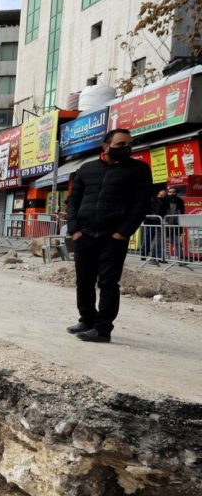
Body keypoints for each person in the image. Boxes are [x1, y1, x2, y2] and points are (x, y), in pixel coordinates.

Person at [65, 129, 152, 343]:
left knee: (108, 283)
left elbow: (141, 205)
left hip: (112, 237)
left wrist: (122, 233)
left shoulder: (139, 170)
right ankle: (86, 320)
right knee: (84, 281)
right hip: (84, 235)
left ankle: (102, 329)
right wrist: (74, 229)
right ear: (106, 146)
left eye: (129, 144)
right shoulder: (86, 169)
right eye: (121, 144)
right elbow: (73, 201)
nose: (126, 148)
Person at [162, 186, 186, 261]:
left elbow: (182, 212)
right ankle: (160, 258)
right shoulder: (164, 201)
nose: (172, 193)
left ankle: (181, 259)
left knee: (177, 242)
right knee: (160, 242)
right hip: (164, 225)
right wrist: (163, 221)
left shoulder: (180, 201)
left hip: (175, 225)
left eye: (173, 192)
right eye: (170, 192)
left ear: (176, 193)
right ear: (167, 192)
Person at [142, 189, 167, 260]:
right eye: (162, 192)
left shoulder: (165, 201)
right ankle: (143, 255)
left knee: (158, 241)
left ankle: (157, 256)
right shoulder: (152, 200)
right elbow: (149, 210)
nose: (164, 193)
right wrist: (152, 218)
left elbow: (164, 212)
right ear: (158, 192)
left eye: (165, 192)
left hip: (159, 223)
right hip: (150, 222)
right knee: (148, 239)